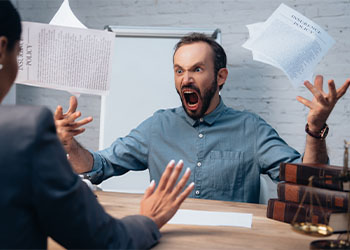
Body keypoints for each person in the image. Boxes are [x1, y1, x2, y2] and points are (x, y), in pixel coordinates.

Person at [55, 33, 350, 203]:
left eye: (197, 69)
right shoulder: (157, 126)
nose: (186, 78)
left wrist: (315, 128)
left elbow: (307, 184)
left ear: (220, 76)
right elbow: (99, 166)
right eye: (179, 70)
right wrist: (70, 147)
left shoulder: (252, 129)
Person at [0, 1, 194, 249]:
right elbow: (105, 240)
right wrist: (149, 220)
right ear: (2, 49)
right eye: (18, 54)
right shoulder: (28, 131)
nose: (187, 78)